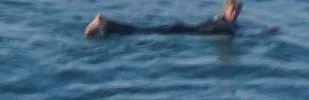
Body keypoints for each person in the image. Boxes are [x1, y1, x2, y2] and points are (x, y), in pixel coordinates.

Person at [87, 0, 239, 35]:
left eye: (237, 12)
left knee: (141, 31)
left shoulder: (219, 19)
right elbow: (232, 32)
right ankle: (106, 24)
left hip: (181, 28)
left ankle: (107, 25)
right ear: (226, 10)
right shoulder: (226, 26)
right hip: (180, 31)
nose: (235, 15)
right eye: (233, 11)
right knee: (140, 32)